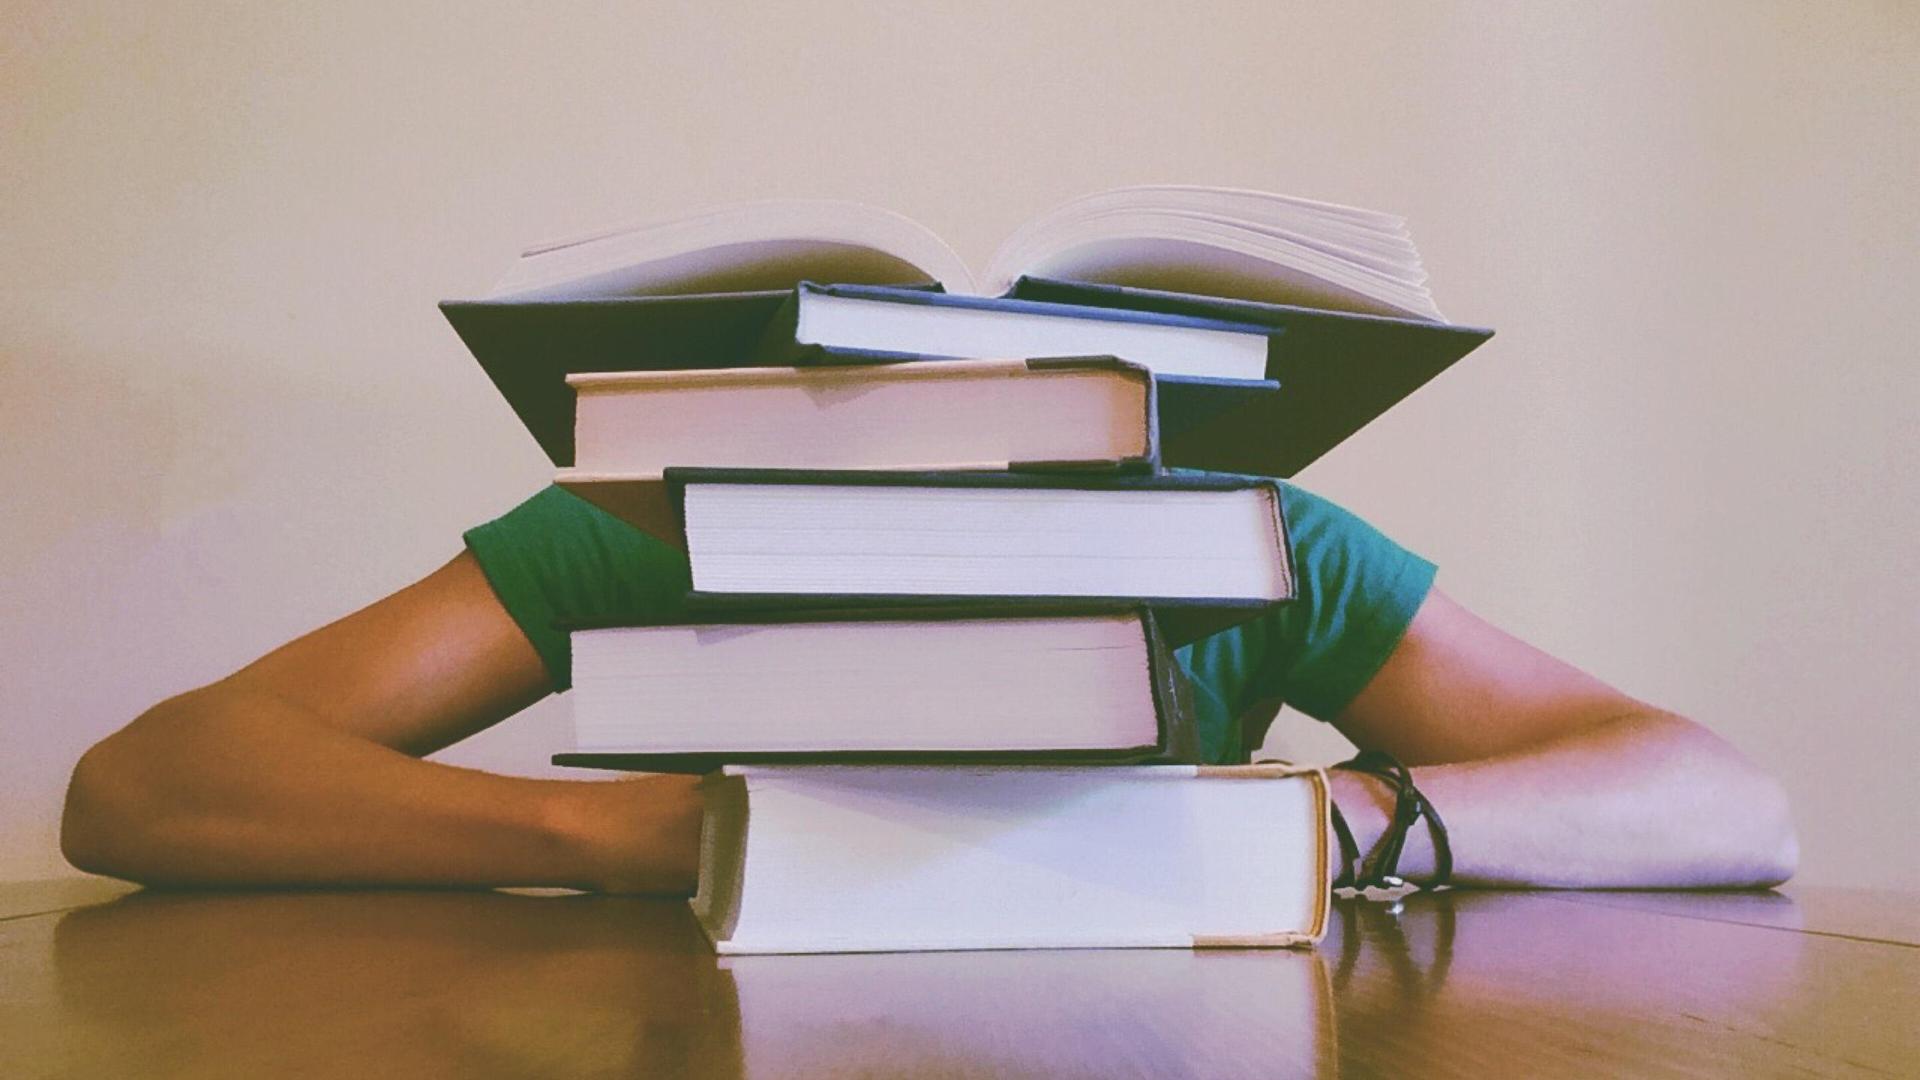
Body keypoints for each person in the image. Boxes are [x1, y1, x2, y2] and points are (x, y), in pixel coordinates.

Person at [59, 482, 1797, 894]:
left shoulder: (1246, 544)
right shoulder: (662, 518)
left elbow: (1726, 798)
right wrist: (656, 835)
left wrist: (1341, 820)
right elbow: (143, 784)